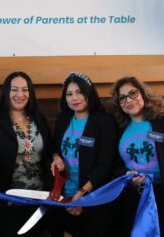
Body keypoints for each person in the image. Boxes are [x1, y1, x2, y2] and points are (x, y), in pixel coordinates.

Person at [0, 71, 53, 237]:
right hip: (8, 201)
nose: (20, 94)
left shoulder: (38, 119)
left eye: (25, 90)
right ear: (6, 93)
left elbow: (50, 148)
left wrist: (56, 157)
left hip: (38, 200)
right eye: (14, 90)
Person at [50, 72, 117, 237]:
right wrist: (56, 157)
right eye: (69, 94)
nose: (75, 97)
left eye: (79, 92)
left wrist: (81, 196)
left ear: (89, 93)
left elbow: (105, 165)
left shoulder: (104, 122)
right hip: (63, 197)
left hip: (92, 198)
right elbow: (54, 148)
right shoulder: (63, 118)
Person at [110, 76, 164, 237]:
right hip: (134, 196)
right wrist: (126, 174)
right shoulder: (119, 129)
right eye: (122, 97)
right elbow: (115, 165)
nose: (128, 99)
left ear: (143, 94)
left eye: (133, 93)